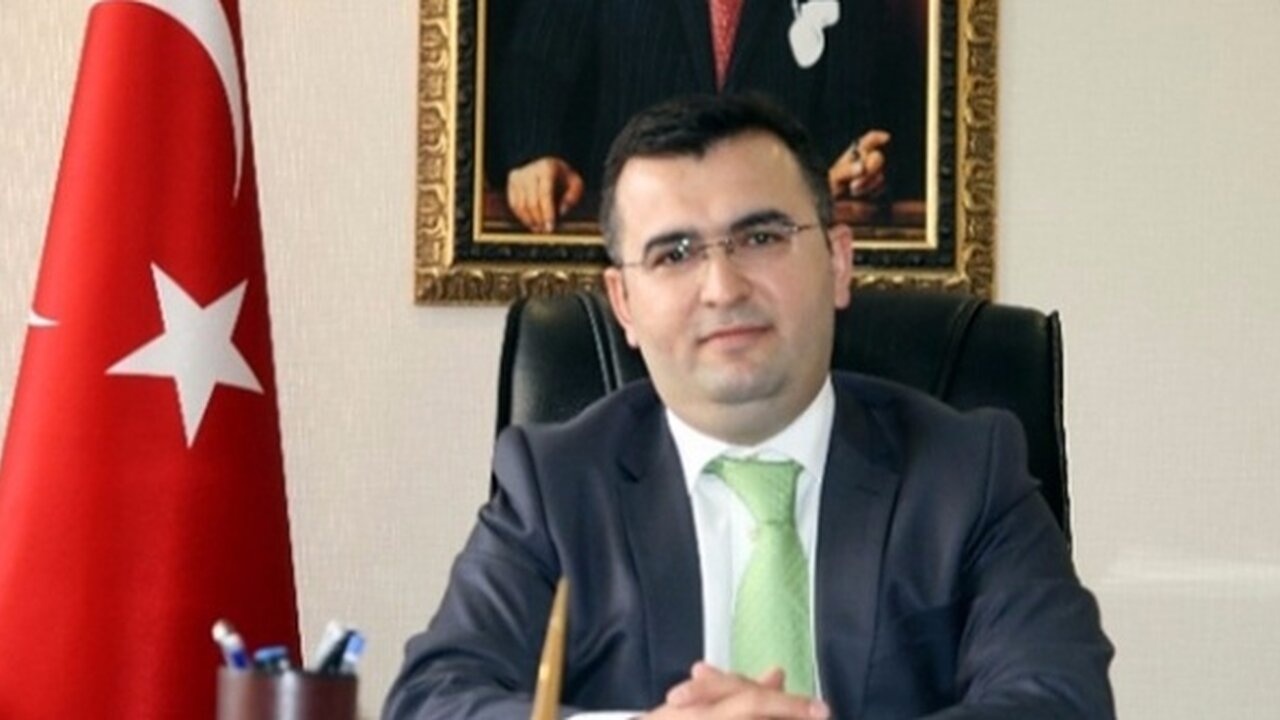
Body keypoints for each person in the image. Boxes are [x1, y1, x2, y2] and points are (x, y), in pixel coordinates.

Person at [386, 94, 1114, 719]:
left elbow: (1060, 699)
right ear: (623, 302)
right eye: (674, 254)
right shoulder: (555, 486)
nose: (723, 287)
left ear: (838, 262)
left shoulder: (967, 472)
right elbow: (432, 701)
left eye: (761, 237)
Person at [485, 0, 895, 233]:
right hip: (635, 230)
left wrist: (854, 170)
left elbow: (854, 116)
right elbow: (536, 66)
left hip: (769, 234)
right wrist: (534, 152)